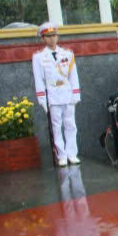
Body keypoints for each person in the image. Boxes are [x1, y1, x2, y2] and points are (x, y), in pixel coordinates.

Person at [33, 22, 81, 166]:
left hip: (67, 92)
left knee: (70, 124)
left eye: (54, 35)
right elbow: (38, 79)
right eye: (48, 36)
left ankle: (72, 153)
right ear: (43, 39)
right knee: (56, 126)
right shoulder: (39, 57)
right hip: (52, 94)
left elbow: (73, 76)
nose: (52, 39)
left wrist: (76, 94)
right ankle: (61, 155)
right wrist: (42, 98)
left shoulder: (67, 53)